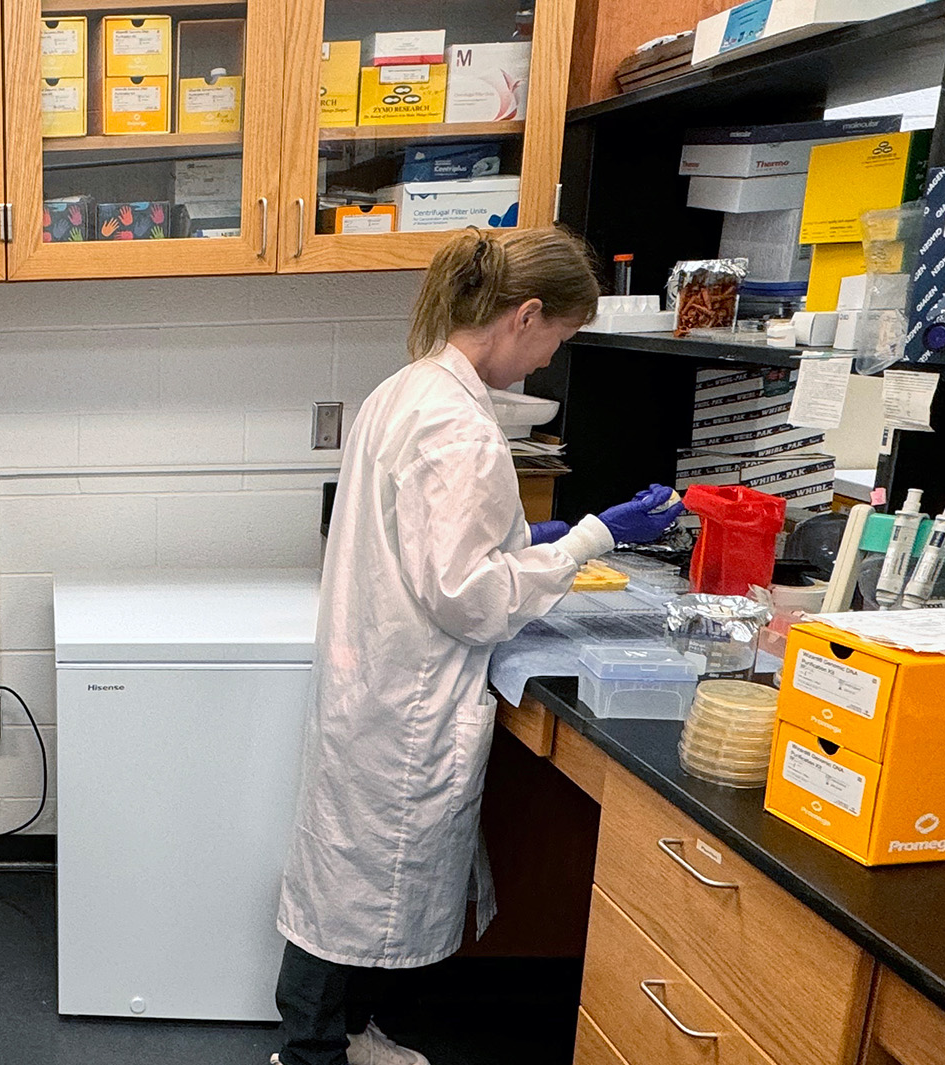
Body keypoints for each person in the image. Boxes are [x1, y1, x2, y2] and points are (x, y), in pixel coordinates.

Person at [271, 229, 681, 1065]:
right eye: (556, 340)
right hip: (407, 693)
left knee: (346, 877)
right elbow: (471, 597)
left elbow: (430, 542)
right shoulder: (460, 426)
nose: (543, 363)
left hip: (373, 677)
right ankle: (312, 1056)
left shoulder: (406, 388)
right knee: (353, 891)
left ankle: (341, 1039)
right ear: (525, 315)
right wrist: (589, 539)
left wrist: (527, 534)